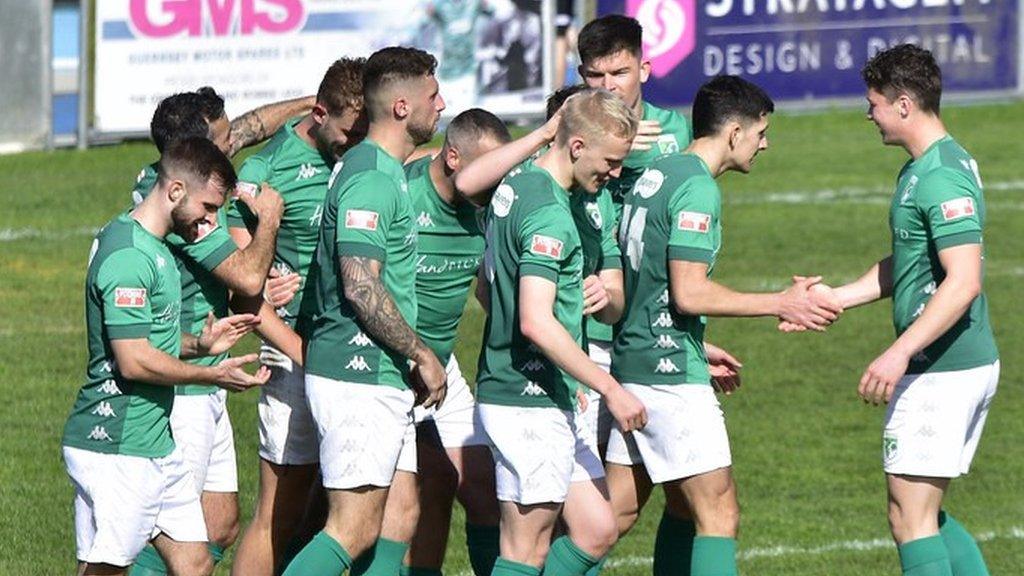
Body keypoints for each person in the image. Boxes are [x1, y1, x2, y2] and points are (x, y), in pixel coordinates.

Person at [606, 75, 841, 576]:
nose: (765, 143)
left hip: (637, 359)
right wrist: (782, 303)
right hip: (669, 374)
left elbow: (646, 283)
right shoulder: (695, 188)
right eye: (760, 132)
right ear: (734, 133)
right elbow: (688, 292)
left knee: (612, 518)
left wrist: (699, 342)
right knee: (719, 514)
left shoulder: (655, 175)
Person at [810, 44, 999, 576]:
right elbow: (914, 263)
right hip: (952, 362)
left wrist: (897, 354)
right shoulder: (930, 165)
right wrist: (839, 297)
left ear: (903, 104)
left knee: (909, 518)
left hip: (943, 366)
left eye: (873, 103)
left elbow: (962, 283)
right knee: (924, 515)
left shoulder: (940, 176)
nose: (867, 114)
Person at [61, 137, 270, 576]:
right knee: (106, 569)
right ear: (175, 191)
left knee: (194, 562)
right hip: (118, 441)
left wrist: (200, 344)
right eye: (209, 208)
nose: (211, 223)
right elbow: (133, 360)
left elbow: (148, 337)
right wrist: (210, 375)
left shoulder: (155, 248)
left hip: (155, 439)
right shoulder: (129, 256)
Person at [283, 46, 448, 576]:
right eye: (432, 95)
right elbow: (359, 284)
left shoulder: (376, 167)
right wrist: (421, 353)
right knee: (351, 529)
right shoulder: (372, 177)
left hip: (378, 372)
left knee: (400, 514)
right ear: (402, 106)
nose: (441, 105)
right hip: (358, 373)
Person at [475, 88, 647, 576]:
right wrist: (609, 387)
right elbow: (535, 319)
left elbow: (487, 289)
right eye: (611, 162)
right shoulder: (551, 215)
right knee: (525, 549)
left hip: (544, 392)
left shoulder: (517, 184)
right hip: (524, 397)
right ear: (575, 147)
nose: (615, 174)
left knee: (596, 527)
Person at [127, 89, 294, 576]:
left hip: (208, 372)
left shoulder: (183, 177)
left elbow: (250, 126)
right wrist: (269, 224)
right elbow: (245, 277)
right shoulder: (185, 212)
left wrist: (307, 101)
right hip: (181, 381)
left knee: (219, 524)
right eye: (222, 141)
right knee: (175, 541)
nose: (233, 144)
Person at [226, 57, 369, 576]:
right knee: (278, 511)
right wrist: (299, 350)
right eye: (348, 132)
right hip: (295, 350)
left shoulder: (361, 153)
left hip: (355, 349)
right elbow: (242, 283)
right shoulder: (267, 170)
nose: (355, 144)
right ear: (319, 112)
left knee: (346, 505)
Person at [391, 108, 511, 576]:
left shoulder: (485, 208)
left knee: (483, 488)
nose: (494, 180)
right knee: (416, 492)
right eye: (486, 168)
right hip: (393, 366)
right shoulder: (401, 194)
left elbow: (487, 288)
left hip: (443, 367)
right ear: (454, 157)